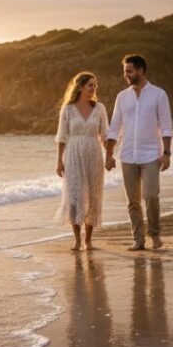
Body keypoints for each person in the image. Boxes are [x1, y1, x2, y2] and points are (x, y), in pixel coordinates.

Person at [105, 55, 173, 251]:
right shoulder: (122, 97)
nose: (126, 75)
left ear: (141, 70)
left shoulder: (159, 95)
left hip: (151, 154)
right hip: (127, 155)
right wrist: (109, 155)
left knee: (151, 196)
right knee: (132, 202)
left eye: (130, 71)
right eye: (125, 71)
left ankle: (155, 234)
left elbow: (166, 126)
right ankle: (138, 240)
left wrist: (167, 153)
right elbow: (114, 127)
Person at [55, 71, 109, 251]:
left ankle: (88, 240)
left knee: (93, 196)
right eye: (90, 85)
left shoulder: (99, 108)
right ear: (80, 87)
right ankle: (77, 239)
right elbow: (62, 136)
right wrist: (59, 162)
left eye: (95, 85)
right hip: (73, 155)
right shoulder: (68, 108)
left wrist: (110, 154)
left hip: (94, 154)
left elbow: (105, 134)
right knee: (74, 196)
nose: (94, 88)